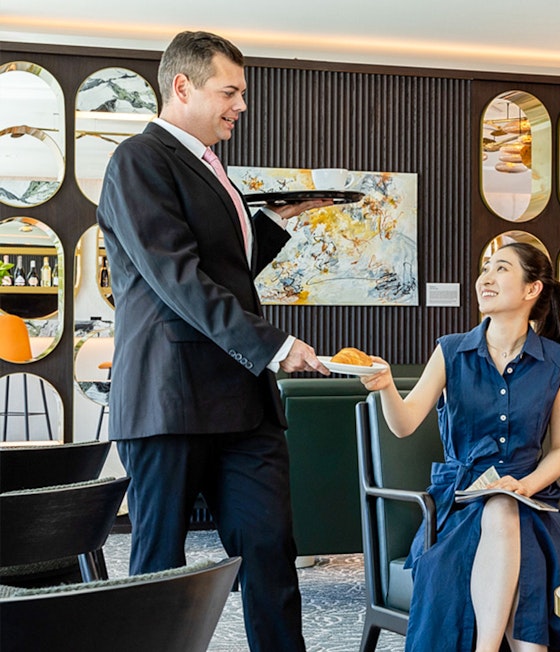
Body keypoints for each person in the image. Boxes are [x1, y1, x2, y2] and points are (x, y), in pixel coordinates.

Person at [96, 31, 332, 652]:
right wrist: (276, 346)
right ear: (182, 86)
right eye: (230, 92)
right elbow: (177, 279)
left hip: (242, 401)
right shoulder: (138, 160)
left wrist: (272, 223)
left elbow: (223, 273)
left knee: (271, 553)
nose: (241, 105)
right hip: (170, 398)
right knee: (160, 572)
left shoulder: (208, 165)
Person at [360, 242, 560, 652]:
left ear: (532, 289)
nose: (485, 279)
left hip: (530, 501)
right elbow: (403, 425)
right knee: (514, 541)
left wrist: (524, 485)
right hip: (459, 503)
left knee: (508, 512)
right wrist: (386, 385)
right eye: (485, 269)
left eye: (501, 269)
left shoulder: (557, 362)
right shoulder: (450, 350)